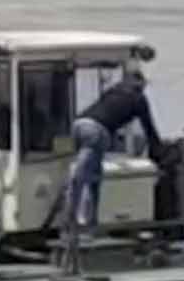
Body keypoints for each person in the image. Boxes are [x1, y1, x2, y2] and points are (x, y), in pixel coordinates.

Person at [64, 64, 161, 233]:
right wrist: (159, 152)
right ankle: (81, 220)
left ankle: (84, 217)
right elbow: (149, 129)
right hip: (97, 131)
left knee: (92, 173)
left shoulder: (113, 91)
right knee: (90, 178)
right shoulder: (138, 99)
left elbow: (108, 112)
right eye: (143, 85)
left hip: (79, 125)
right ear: (139, 84)